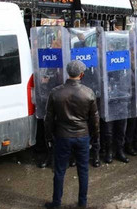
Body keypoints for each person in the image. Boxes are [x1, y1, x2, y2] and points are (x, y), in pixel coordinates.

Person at [44, 60, 99, 208]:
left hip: (63, 136)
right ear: (81, 74)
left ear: (68, 73)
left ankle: (56, 203)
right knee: (83, 170)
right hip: (82, 135)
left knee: (60, 170)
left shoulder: (56, 92)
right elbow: (95, 119)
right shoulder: (88, 93)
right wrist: (95, 137)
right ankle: (82, 202)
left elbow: (48, 118)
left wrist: (48, 136)